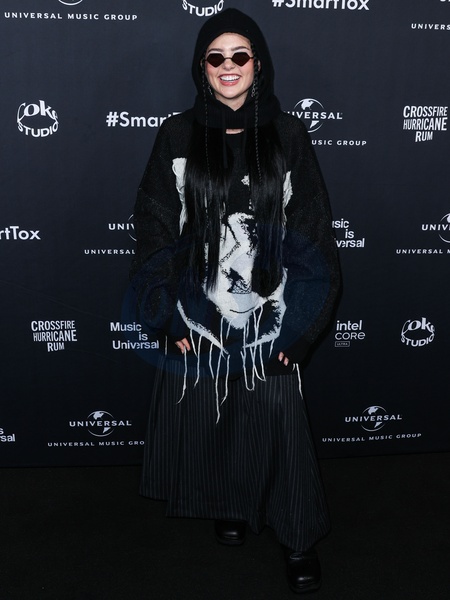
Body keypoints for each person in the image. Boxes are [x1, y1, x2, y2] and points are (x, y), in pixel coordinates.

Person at [129, 8, 340, 595]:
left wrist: (301, 326)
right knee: (214, 417)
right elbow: (153, 228)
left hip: (271, 315)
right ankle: (230, 503)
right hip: (198, 313)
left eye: (240, 55)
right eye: (216, 57)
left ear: (258, 64)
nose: (229, 66)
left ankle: (298, 537)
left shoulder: (289, 136)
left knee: (279, 429)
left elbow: (314, 234)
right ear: (201, 67)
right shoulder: (176, 135)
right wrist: (165, 313)